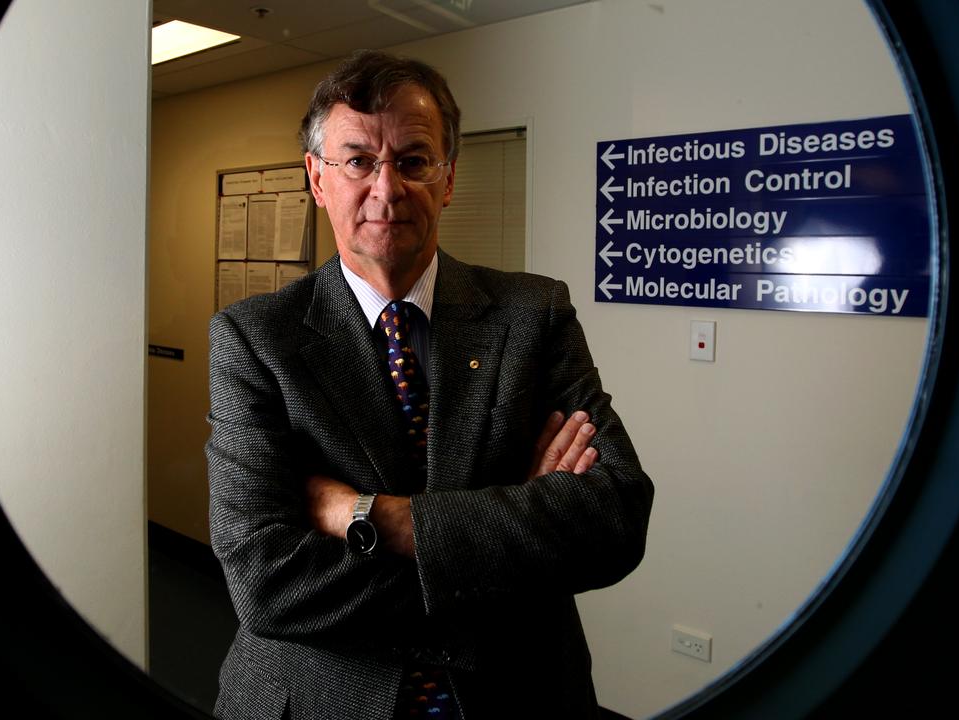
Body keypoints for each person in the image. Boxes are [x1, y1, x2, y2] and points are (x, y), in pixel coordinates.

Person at [206, 49, 654, 720]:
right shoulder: (254, 338)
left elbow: (615, 519)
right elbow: (265, 583)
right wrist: (511, 536)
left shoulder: (535, 317)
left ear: (446, 179)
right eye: (357, 160)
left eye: (413, 161)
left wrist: (370, 517)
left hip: (518, 697)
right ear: (317, 179)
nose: (386, 190)